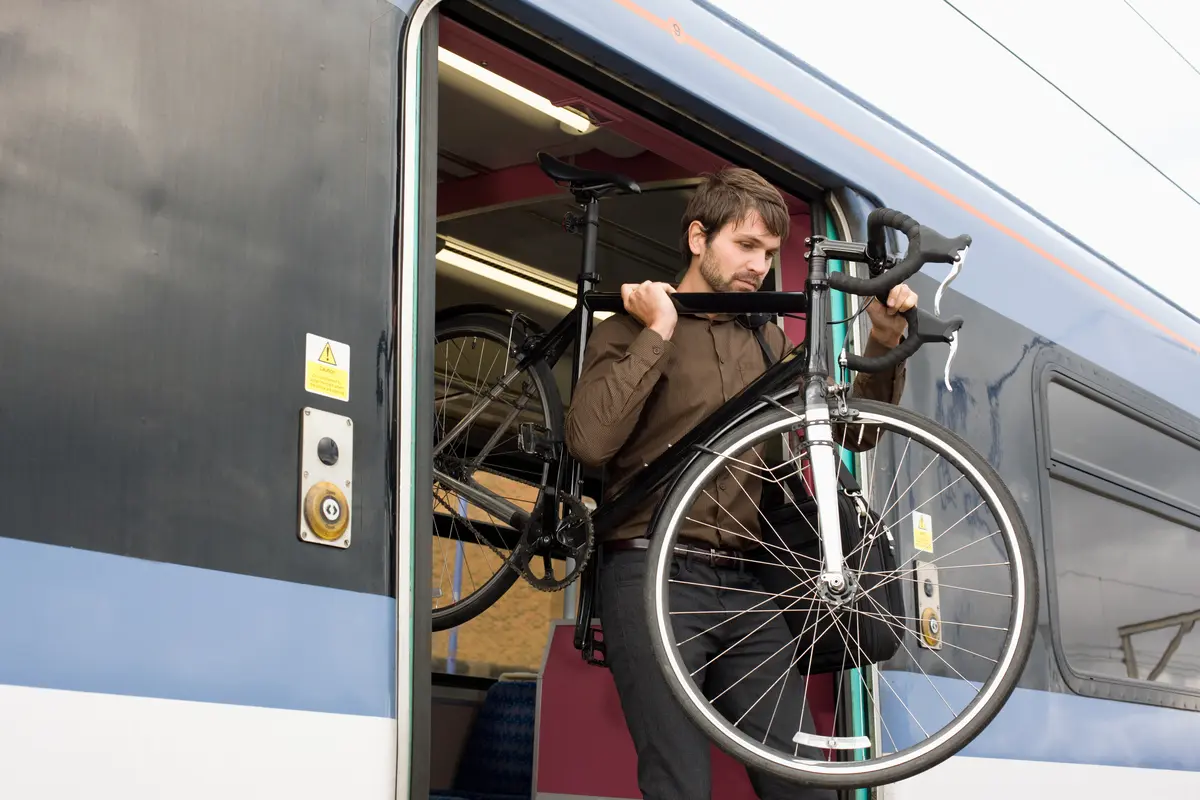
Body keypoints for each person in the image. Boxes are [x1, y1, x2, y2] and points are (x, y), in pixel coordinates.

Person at [564, 166, 916, 800]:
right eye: (745, 246)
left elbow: (853, 435)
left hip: (750, 585)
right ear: (698, 238)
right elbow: (590, 441)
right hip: (650, 573)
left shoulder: (768, 341)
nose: (759, 265)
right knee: (680, 783)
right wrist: (659, 331)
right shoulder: (627, 328)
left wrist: (886, 343)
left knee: (800, 785)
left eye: (771, 253)